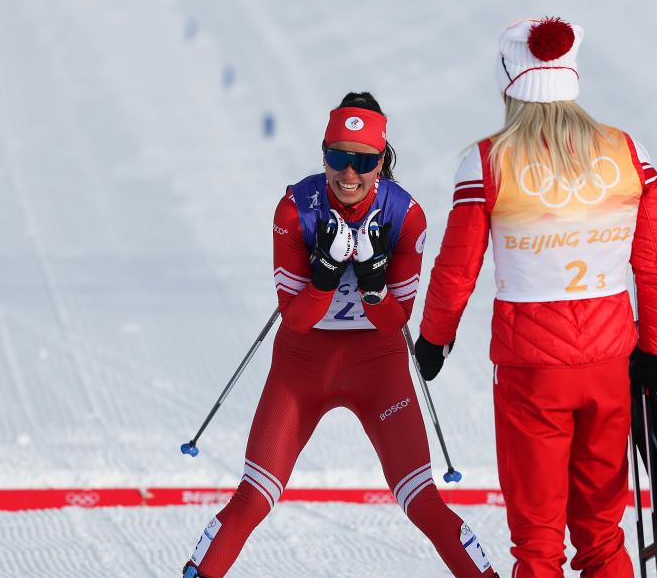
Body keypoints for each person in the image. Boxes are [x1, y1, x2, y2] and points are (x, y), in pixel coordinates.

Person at [182, 92, 497, 578]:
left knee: (423, 501)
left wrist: (373, 283)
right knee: (253, 497)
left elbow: (395, 321)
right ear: (324, 154)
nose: (349, 174)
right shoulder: (295, 209)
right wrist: (326, 274)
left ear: (381, 161)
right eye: (338, 157)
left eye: (364, 161)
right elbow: (296, 319)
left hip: (379, 369)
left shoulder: (404, 214)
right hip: (302, 367)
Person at [413, 18, 657, 578]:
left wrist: (434, 340)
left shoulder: (488, 161)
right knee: (602, 534)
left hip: (531, 372)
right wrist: (656, 353)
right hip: (610, 365)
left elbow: (457, 270)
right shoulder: (629, 153)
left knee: (537, 544)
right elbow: (655, 266)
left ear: (510, 84)